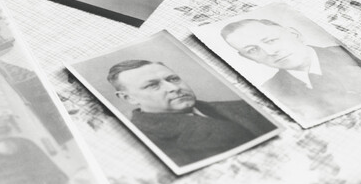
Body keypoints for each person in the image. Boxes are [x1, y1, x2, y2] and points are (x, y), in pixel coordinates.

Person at [220, 18, 361, 123]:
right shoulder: (271, 92)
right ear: (248, 58)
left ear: (295, 34)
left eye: (271, 40)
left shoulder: (357, 54)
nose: (270, 52)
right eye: (252, 50)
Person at [107, 59, 275, 166]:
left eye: (173, 79)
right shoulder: (143, 140)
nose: (174, 88)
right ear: (129, 98)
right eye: (152, 85)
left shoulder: (242, 106)